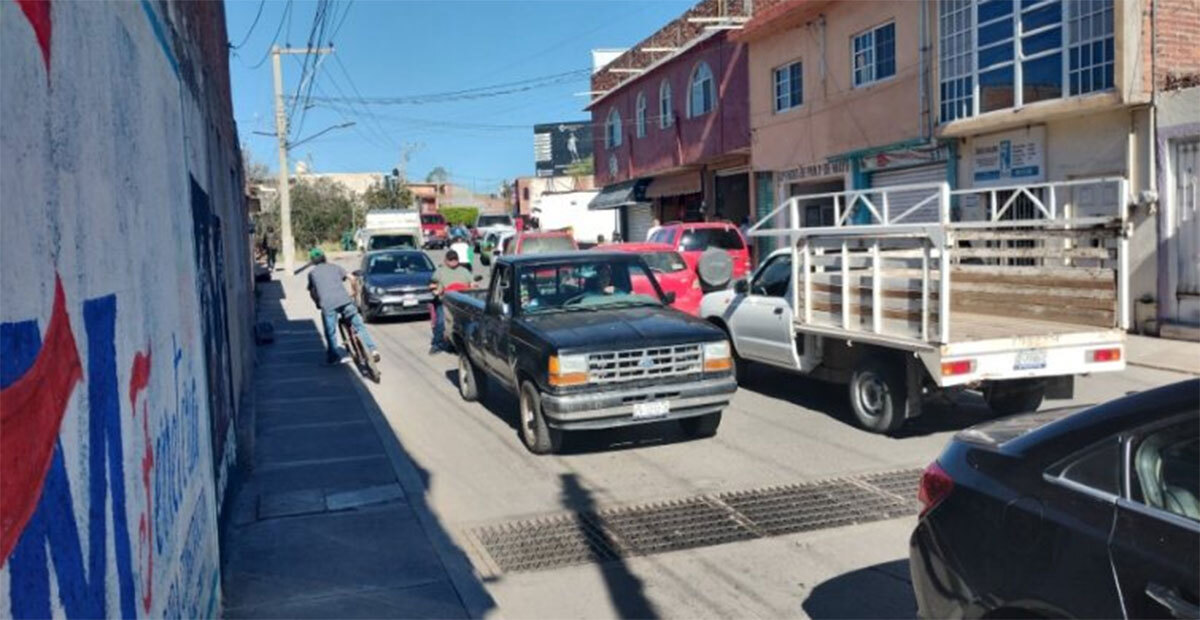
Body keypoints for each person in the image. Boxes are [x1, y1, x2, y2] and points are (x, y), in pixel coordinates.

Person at [306, 248, 379, 365]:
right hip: (345, 301)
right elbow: (353, 278)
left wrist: (317, 303)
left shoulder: (312, 274)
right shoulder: (335, 267)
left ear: (313, 261)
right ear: (324, 257)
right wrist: (354, 292)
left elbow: (312, 292)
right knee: (359, 325)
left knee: (330, 332)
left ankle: (333, 357)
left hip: (328, 305)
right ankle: (373, 350)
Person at [428, 249, 473, 354]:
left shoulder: (464, 271)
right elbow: (432, 284)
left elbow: (472, 283)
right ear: (446, 260)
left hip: (462, 303)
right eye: (451, 260)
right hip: (445, 302)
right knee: (440, 322)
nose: (453, 262)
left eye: (455, 259)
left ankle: (464, 346)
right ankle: (437, 344)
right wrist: (435, 290)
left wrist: (472, 286)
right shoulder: (440, 271)